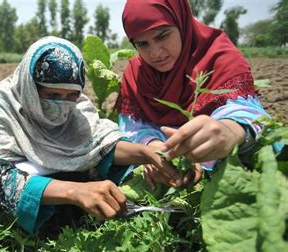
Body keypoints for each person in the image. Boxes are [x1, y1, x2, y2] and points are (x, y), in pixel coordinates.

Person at [0, 36, 180, 234]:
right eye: (52, 95)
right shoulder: (3, 103)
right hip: (36, 191)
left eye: (71, 96)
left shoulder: (78, 107)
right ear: (31, 88)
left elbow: (101, 145)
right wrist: (76, 192)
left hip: (71, 187)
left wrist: (147, 152)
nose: (63, 104)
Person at [117, 0, 273, 188]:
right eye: (142, 44)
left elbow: (246, 111)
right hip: (166, 175)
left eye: (162, 36)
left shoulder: (219, 57)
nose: (156, 53)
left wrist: (230, 131)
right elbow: (133, 126)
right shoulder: (136, 75)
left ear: (181, 23)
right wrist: (152, 148)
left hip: (226, 171)